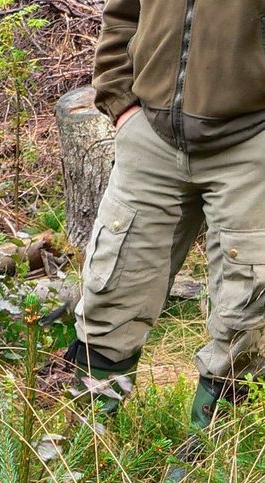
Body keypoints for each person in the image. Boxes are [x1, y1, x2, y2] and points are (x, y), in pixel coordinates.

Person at [64, 0, 265, 433]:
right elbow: (122, 15)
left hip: (252, 138)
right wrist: (120, 100)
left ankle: (215, 455)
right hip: (152, 134)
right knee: (112, 285)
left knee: (247, 304)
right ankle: (84, 444)